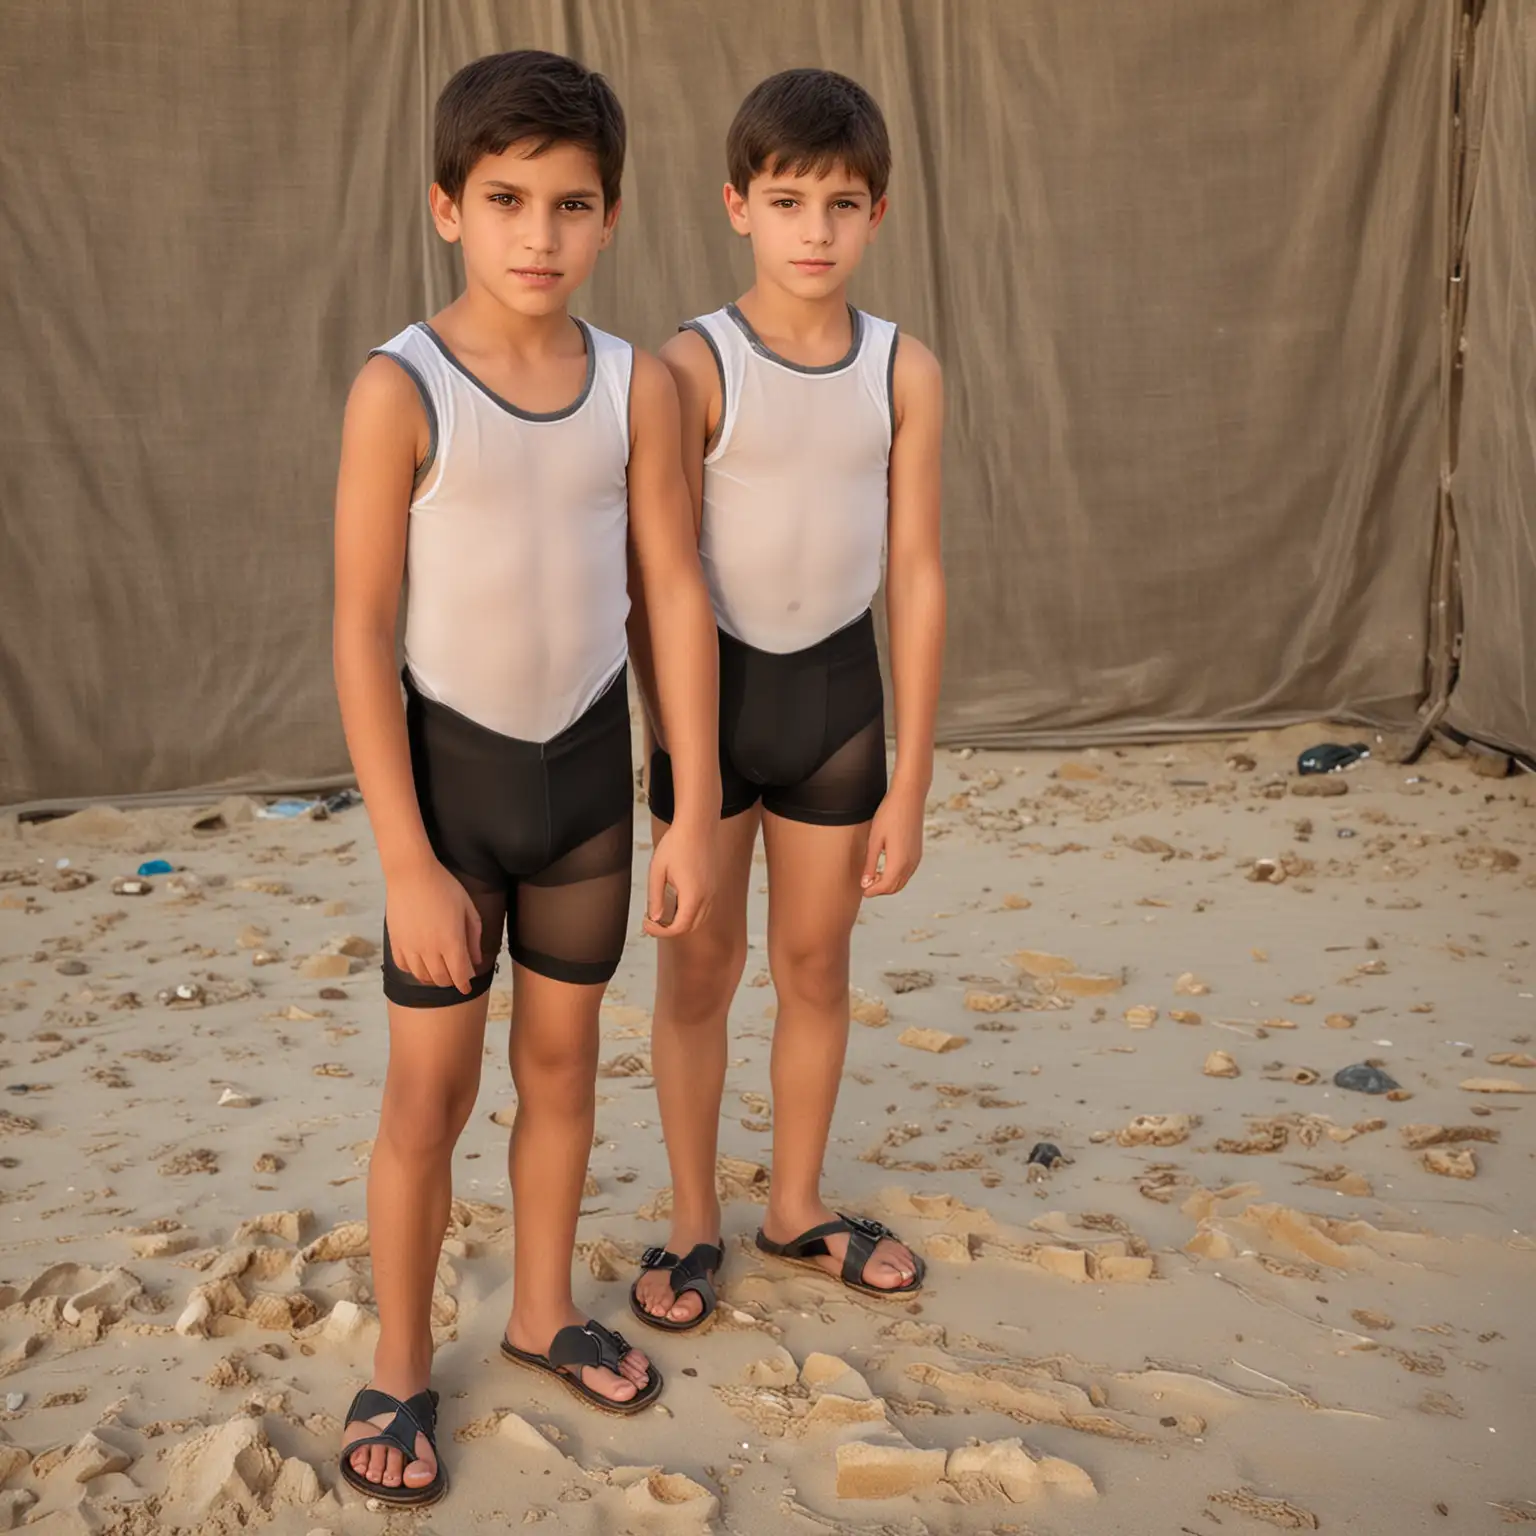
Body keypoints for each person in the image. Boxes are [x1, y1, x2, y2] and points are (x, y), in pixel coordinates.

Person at [331, 49, 719, 1506]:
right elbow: (363, 629)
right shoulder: (401, 387)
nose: (537, 236)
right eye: (506, 200)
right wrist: (403, 860)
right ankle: (400, 1361)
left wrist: (680, 802)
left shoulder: (635, 386)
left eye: (570, 205)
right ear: (447, 207)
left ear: (611, 217)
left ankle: (546, 1306)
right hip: (449, 798)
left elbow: (671, 592)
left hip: (586, 798)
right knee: (425, 1096)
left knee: (562, 1067)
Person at [628, 68, 945, 1334]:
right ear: (738, 207)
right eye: (789, 199)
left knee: (818, 963)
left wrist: (910, 780)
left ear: (879, 213)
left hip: (837, 705)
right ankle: (695, 1220)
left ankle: (797, 1204)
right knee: (703, 971)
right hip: (715, 712)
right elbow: (659, 588)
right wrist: (686, 778)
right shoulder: (692, 368)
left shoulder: (903, 370)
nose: (816, 229)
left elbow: (916, 577)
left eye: (843, 203)